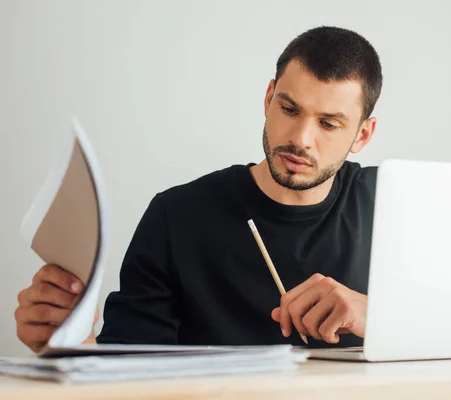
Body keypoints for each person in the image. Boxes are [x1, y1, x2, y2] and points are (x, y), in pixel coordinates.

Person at [15, 25, 383, 353]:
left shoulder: (394, 205)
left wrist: (380, 317)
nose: (301, 139)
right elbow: (125, 372)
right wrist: (69, 344)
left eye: (328, 124)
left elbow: (442, 329)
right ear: (269, 98)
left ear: (362, 135)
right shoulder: (176, 215)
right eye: (289, 109)